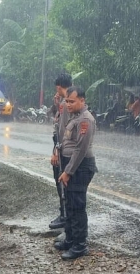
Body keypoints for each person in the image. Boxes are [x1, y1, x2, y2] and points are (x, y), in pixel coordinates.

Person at [54, 86, 98, 260]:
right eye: (67, 101)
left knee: (78, 206)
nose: (68, 104)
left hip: (80, 167)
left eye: (72, 101)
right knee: (70, 203)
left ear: (82, 100)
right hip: (71, 165)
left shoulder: (86, 120)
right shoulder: (74, 117)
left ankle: (80, 245)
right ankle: (71, 238)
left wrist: (68, 172)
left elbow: (80, 149)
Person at [49, 73, 73, 231]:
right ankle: (67, 216)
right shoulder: (69, 102)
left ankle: (65, 216)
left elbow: (62, 130)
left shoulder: (66, 104)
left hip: (63, 148)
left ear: (58, 87)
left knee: (62, 183)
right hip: (66, 147)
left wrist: (56, 151)